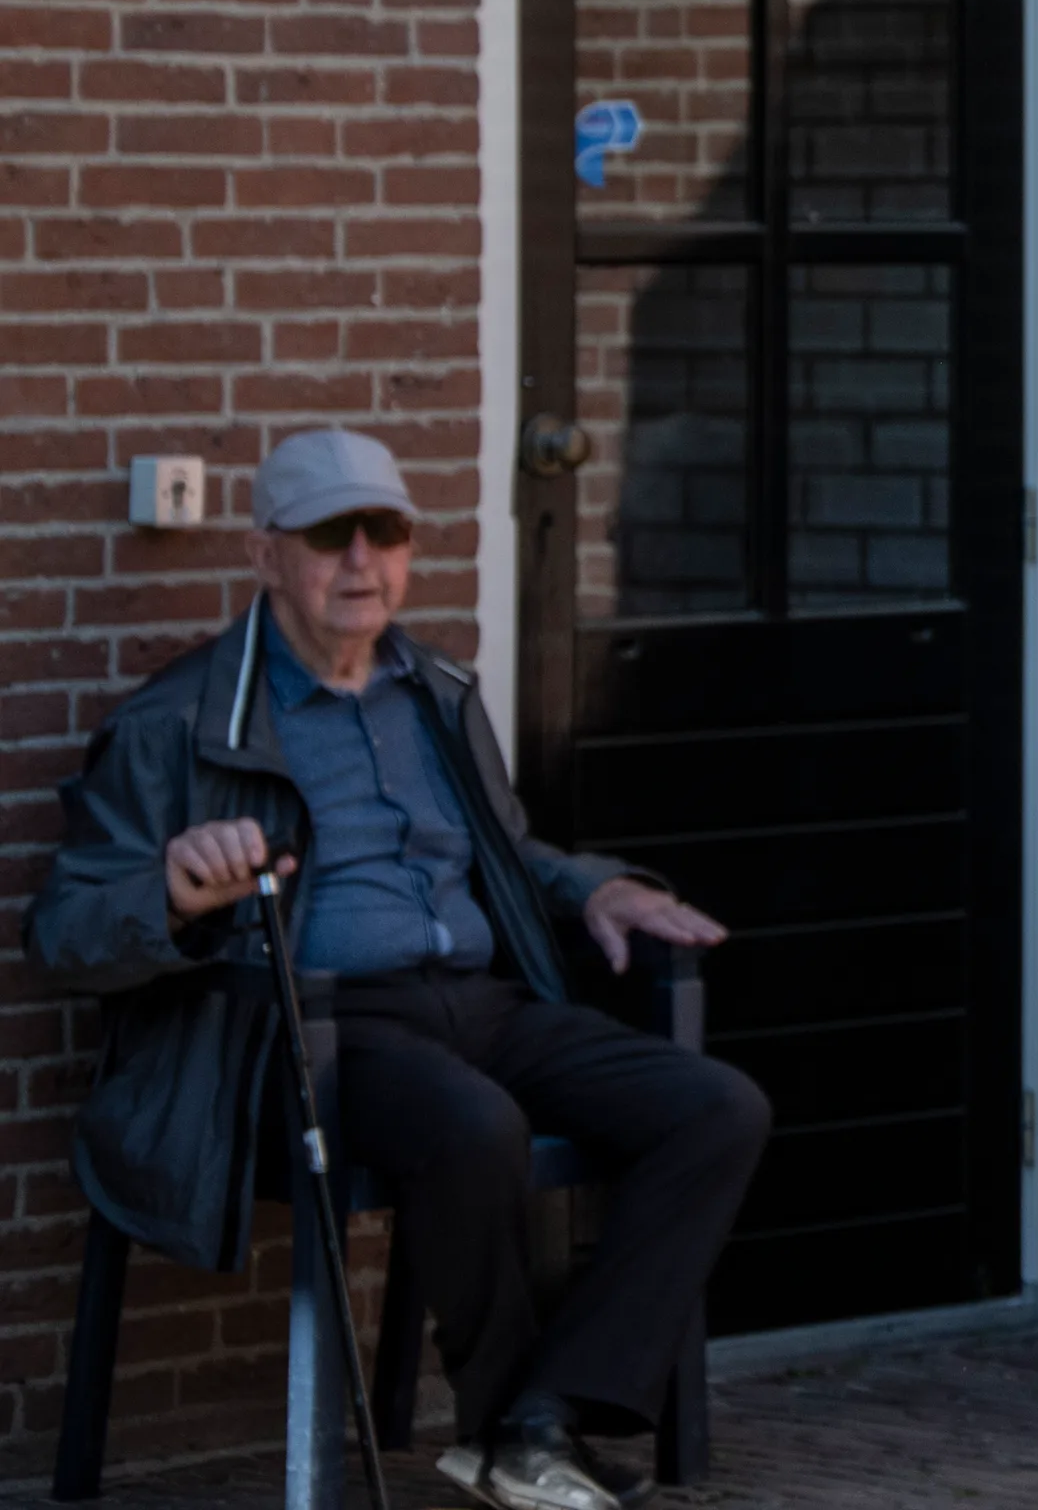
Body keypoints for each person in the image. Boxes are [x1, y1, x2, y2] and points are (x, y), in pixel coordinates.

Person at [29, 429, 768, 1510]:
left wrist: (592, 886)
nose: (363, 560)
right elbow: (65, 929)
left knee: (715, 1108)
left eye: (389, 532)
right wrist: (178, 892)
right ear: (266, 552)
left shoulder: (437, 690)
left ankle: (538, 1417)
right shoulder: (175, 723)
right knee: (475, 1127)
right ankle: (516, 1428)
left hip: (479, 1001)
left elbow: (500, 853)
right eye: (332, 536)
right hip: (313, 1030)